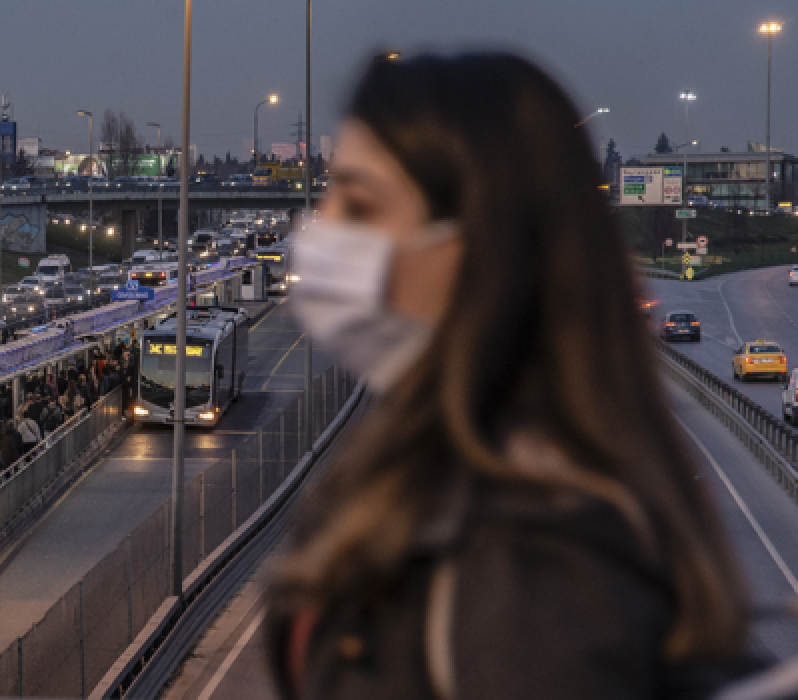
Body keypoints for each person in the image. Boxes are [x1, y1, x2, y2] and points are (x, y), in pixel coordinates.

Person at [265, 52, 749, 700]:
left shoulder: (533, 588)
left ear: (478, 250)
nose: (317, 233)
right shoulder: (431, 473)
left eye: (357, 206)